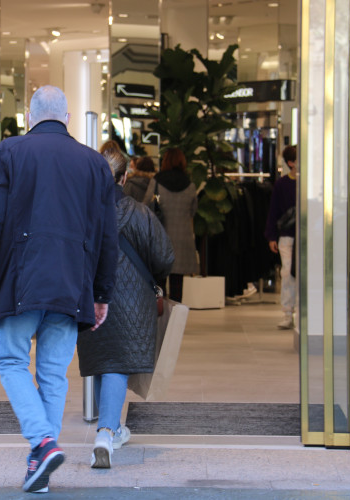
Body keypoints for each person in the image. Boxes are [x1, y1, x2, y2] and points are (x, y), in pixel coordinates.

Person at [0, 85, 118, 493]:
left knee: (12, 361)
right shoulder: (94, 163)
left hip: (20, 280)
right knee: (53, 373)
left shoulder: (9, 152)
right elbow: (106, 236)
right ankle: (40, 465)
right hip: (71, 283)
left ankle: (42, 441)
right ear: (65, 119)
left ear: (30, 117)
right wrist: (102, 293)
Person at [77, 147, 174, 469]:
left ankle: (114, 428)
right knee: (116, 363)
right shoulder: (141, 212)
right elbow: (164, 259)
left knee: (106, 361)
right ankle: (105, 433)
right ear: (124, 176)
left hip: (89, 299)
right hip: (133, 301)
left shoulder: (80, 212)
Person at [143, 148, 199, 302]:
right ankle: (176, 320)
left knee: (160, 283)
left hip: (161, 239)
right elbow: (193, 211)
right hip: (182, 241)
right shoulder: (190, 185)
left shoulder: (157, 182)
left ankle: (162, 320)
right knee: (177, 282)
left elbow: (147, 205)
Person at [265, 145, 298, 329]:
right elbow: (274, 211)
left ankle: (300, 311)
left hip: (304, 235)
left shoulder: (310, 183)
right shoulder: (282, 184)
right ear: (291, 162)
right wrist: (271, 236)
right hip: (286, 235)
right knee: (287, 273)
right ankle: (287, 312)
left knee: (302, 274)